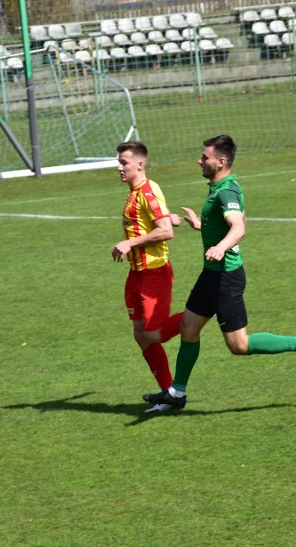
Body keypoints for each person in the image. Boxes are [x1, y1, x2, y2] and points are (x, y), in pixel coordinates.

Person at [143, 134, 296, 411]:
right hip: (211, 275)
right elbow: (227, 224)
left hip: (225, 278)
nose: (200, 160)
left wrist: (220, 247)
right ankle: (176, 393)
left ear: (221, 161)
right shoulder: (220, 188)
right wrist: (202, 228)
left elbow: (238, 227)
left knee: (238, 345)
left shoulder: (227, 191)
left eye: (205, 157)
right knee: (187, 329)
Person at [112, 141, 183, 406]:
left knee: (153, 333)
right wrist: (169, 216)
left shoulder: (147, 190)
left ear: (140, 164)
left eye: (123, 162)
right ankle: (169, 394)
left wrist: (130, 243)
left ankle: (205, 310)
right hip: (137, 274)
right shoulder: (135, 191)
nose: (119, 167)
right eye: (119, 162)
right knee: (141, 334)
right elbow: (157, 220)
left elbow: (166, 232)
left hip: (154, 273)